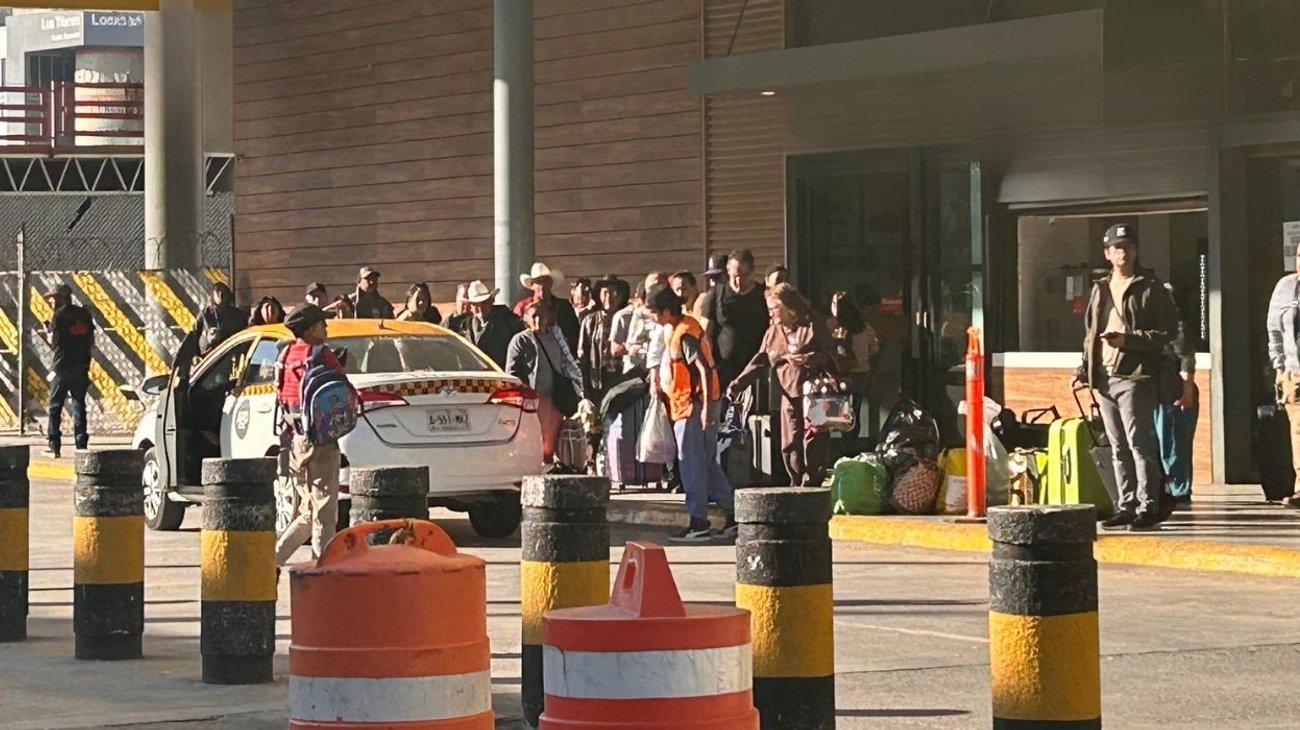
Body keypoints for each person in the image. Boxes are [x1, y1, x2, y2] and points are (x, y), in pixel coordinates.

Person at [1072, 223, 1177, 531]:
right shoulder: (1100, 288)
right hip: (1104, 377)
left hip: (1134, 375)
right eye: (1117, 248)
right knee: (1117, 445)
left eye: (1128, 247)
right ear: (1107, 253)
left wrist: (1128, 341)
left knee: (1139, 443)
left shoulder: (1151, 288)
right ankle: (1125, 505)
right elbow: (1090, 333)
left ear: (1136, 251)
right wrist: (1083, 370)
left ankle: (1148, 506)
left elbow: (1167, 332)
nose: (1123, 252)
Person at [645, 285, 734, 542]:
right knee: (706, 462)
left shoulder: (684, 334)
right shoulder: (680, 328)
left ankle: (698, 522)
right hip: (693, 404)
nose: (653, 317)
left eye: (654, 312)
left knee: (691, 464)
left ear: (665, 311)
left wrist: (704, 409)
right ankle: (734, 515)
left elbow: (703, 369)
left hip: (691, 407)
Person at [730, 284, 843, 487]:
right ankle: (796, 480)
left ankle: (813, 480)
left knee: (815, 436)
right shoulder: (773, 333)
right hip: (788, 392)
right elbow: (760, 360)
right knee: (790, 439)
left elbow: (832, 356)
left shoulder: (813, 325)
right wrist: (737, 384)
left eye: (774, 308)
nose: (770, 313)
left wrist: (808, 359)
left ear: (789, 308)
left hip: (816, 391)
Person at [274, 304, 345, 565]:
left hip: (296, 440)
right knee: (325, 513)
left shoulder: (285, 355)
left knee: (307, 511)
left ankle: (271, 561)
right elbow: (342, 387)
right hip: (322, 440)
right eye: (322, 324)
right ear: (312, 329)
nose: (326, 328)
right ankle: (321, 570)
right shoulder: (321, 354)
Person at [506, 300, 584, 466]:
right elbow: (512, 373)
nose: (538, 319)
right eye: (534, 316)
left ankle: (548, 465)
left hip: (555, 397)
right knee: (534, 436)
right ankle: (533, 465)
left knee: (551, 437)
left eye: (542, 315)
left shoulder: (555, 337)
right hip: (533, 399)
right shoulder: (520, 340)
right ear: (525, 318)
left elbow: (565, 363)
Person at [703, 249, 769, 389]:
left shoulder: (764, 295)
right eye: (734, 276)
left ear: (752, 271)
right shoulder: (715, 294)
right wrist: (710, 364)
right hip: (724, 369)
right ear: (727, 271)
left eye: (743, 276)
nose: (738, 281)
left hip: (755, 370)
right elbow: (706, 333)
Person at [43, 284, 94, 458]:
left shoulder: (59, 315)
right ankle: (81, 443)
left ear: (60, 298)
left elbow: (54, 341)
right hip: (81, 365)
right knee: (79, 403)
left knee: (55, 405)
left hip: (62, 366)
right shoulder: (84, 314)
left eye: (53, 298)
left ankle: (54, 444)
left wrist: (48, 332)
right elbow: (91, 340)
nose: (51, 302)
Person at [1266, 255, 1300, 509]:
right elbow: (1274, 330)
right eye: (1299, 256)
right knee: (1298, 431)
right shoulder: (1285, 287)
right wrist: (1279, 367)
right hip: (1294, 373)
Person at [830, 290, 879, 457]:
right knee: (854, 412)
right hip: (861, 373)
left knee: (839, 412)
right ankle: (851, 444)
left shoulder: (834, 328)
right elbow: (874, 349)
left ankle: (841, 446)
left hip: (841, 375)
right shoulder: (865, 328)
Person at [578, 275, 629, 404]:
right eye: (605, 293)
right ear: (599, 295)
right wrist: (584, 389)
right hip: (598, 380)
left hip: (623, 377)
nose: (609, 297)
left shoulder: (627, 319)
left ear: (621, 296)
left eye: (614, 293)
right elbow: (582, 356)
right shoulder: (590, 321)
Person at [457, 280, 523, 369]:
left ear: (491, 302)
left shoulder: (508, 322)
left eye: (483, 303)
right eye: (475, 305)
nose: (480, 308)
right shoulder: (465, 327)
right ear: (471, 306)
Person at [515, 262, 580, 354]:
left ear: (551, 283)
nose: (542, 285)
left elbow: (573, 335)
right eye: (538, 281)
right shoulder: (522, 307)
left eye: (545, 281)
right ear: (532, 285)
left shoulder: (564, 307)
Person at [193, 281, 246, 356]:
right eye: (217, 291)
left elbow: (244, 336)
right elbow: (194, 337)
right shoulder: (205, 314)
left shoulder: (238, 315)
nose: (220, 295)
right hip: (210, 356)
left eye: (223, 292)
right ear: (213, 295)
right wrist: (207, 339)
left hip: (231, 354)